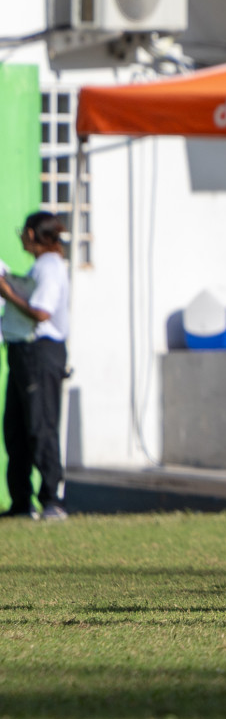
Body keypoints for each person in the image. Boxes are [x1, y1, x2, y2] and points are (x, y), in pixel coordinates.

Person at [0, 212, 70, 520]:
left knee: (41, 425)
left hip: (41, 353)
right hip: (22, 351)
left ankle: (52, 499)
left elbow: (42, 312)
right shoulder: (40, 266)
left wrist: (7, 292)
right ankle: (20, 503)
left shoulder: (50, 267)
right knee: (15, 428)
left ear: (31, 234)